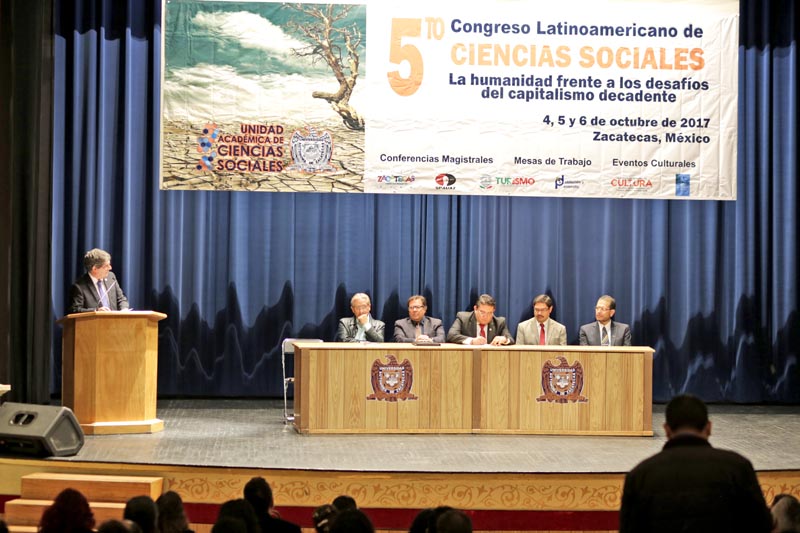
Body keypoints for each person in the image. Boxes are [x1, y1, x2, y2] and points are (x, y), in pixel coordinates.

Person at [619, 394, 772, 532]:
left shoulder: (640, 475)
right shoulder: (738, 467)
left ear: (666, 430)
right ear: (709, 427)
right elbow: (761, 525)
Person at [67, 248, 129, 313]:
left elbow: (121, 299)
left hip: (115, 322)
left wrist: (124, 309)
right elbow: (75, 310)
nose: (110, 268)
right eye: (106, 266)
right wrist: (96, 311)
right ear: (95, 268)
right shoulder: (79, 287)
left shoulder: (111, 277)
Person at [446, 294, 513, 346]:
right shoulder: (463, 318)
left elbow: (511, 339)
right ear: (475, 309)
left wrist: (504, 339)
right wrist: (472, 341)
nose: (486, 316)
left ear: (493, 311)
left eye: (489, 313)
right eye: (482, 312)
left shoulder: (499, 322)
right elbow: (451, 335)